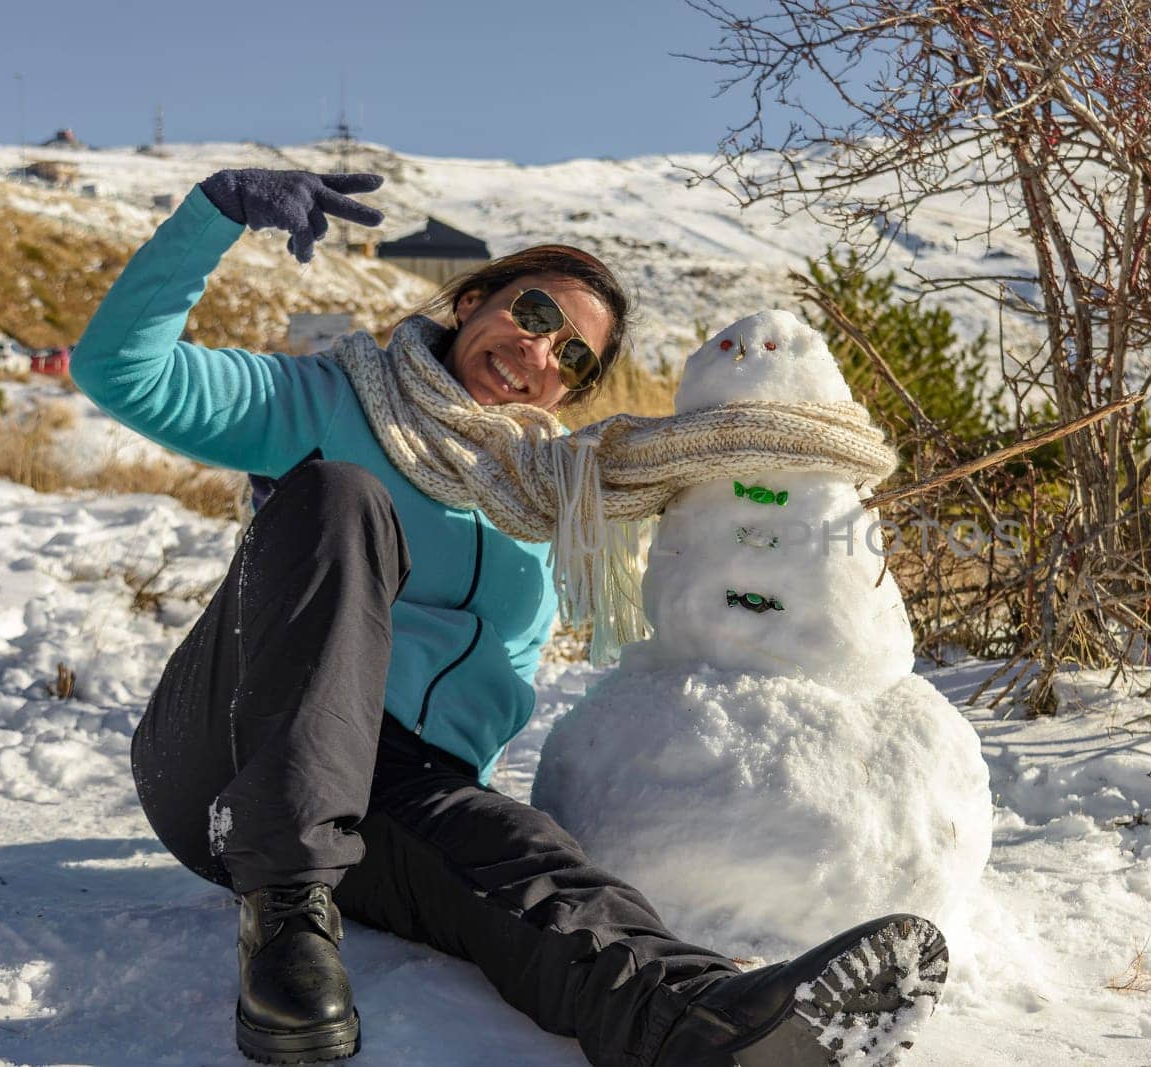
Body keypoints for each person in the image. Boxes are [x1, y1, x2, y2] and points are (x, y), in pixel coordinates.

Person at [70, 169, 947, 1067]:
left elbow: (706, 472)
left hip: (396, 783)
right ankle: (286, 922)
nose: (538, 355)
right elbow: (120, 369)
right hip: (235, 750)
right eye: (533, 315)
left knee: (530, 861)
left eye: (571, 357)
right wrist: (211, 218)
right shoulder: (327, 400)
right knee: (343, 496)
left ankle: (707, 1024)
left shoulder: (549, 493)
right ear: (477, 299)